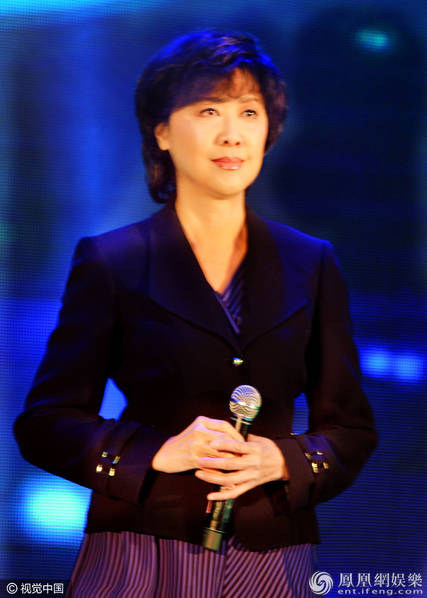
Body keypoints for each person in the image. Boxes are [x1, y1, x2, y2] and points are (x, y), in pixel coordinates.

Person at [14, 30, 377, 597]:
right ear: (161, 130)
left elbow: (351, 428)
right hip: (142, 549)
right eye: (209, 110)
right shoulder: (113, 261)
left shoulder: (312, 261)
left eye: (249, 112)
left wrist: (283, 460)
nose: (232, 134)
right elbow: (46, 423)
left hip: (273, 555)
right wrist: (158, 452)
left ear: (270, 130)